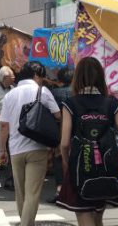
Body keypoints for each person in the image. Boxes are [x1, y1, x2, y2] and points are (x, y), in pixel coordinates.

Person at [57, 58, 118, 225]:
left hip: (81, 170)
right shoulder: (111, 103)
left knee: (85, 216)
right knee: (98, 218)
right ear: (100, 77)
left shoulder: (70, 104)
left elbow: (65, 143)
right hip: (107, 170)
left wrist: (68, 165)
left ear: (78, 77)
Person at [0, 61, 60, 226]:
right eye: (41, 76)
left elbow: (4, 125)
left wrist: (2, 150)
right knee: (32, 193)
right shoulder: (43, 91)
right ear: (36, 75)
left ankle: (26, 223)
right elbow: (58, 115)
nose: (41, 79)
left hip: (15, 149)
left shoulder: (9, 95)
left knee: (21, 193)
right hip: (37, 147)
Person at [48, 66, 74, 204]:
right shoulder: (78, 92)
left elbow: (51, 113)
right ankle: (74, 190)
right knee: (75, 159)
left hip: (59, 131)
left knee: (59, 160)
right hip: (76, 132)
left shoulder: (54, 93)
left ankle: (59, 189)